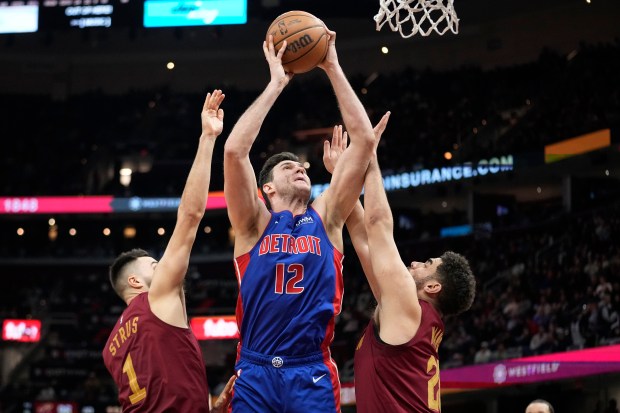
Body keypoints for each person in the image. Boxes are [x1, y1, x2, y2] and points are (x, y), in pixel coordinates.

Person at [222, 28, 377, 412]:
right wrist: (276, 85)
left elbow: (365, 142)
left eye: (303, 166)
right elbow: (234, 151)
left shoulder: (326, 217)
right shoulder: (253, 224)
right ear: (268, 190)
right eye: (289, 167)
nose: (301, 168)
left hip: (311, 371)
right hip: (255, 369)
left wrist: (332, 66)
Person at [325, 116, 476, 412]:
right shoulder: (408, 313)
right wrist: (343, 175)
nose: (416, 262)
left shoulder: (409, 310)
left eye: (427, 263)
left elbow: (377, 223)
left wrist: (369, 156)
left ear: (433, 286)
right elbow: (362, 236)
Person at [103, 90, 234, 412]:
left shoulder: (110, 347)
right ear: (136, 281)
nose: (163, 266)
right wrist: (207, 138)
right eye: (154, 264)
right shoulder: (156, 297)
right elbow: (189, 217)